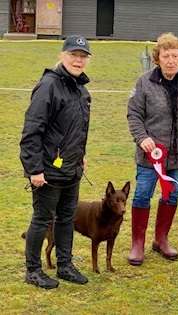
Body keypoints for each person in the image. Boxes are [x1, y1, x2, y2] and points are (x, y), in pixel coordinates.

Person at [127, 32, 178, 266]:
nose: (170, 60)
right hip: (149, 156)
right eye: (166, 56)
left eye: (175, 55)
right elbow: (134, 114)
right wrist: (142, 138)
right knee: (142, 194)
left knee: (171, 195)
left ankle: (161, 239)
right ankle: (137, 243)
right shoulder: (145, 82)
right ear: (157, 58)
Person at [19, 35, 92, 289]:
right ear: (62, 55)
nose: (78, 60)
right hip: (47, 171)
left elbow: (75, 128)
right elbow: (32, 130)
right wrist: (34, 169)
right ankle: (33, 270)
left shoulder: (81, 88)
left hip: (71, 169)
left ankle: (65, 265)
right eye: (74, 55)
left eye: (83, 56)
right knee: (42, 219)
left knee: (66, 218)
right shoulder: (49, 85)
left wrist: (80, 155)